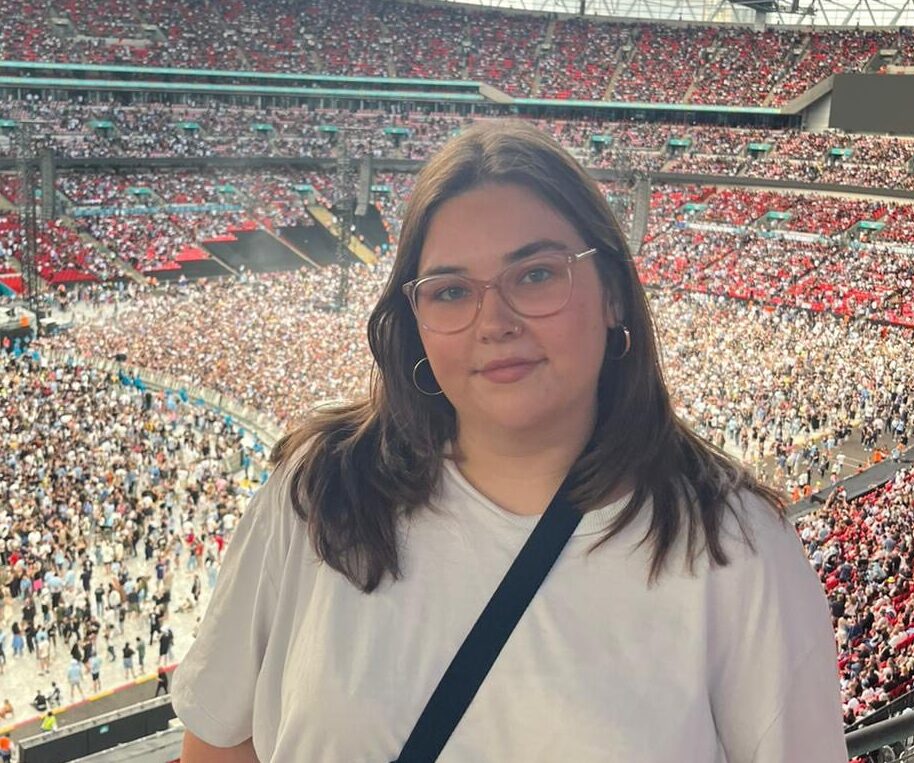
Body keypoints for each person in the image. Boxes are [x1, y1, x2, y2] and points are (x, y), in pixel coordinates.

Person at [172, 121, 847, 761]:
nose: (494, 321)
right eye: (450, 291)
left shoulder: (736, 549)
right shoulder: (317, 493)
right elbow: (219, 742)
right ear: (415, 319)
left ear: (613, 292)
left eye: (536, 274)